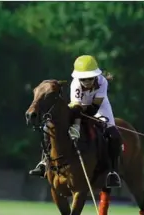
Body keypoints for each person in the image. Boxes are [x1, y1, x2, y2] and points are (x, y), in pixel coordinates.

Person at [29, 55, 122, 188]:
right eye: (84, 78)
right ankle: (44, 162)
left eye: (90, 78)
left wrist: (81, 118)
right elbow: (77, 107)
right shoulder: (75, 84)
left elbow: (94, 107)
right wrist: (77, 125)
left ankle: (112, 172)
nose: (87, 81)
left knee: (114, 135)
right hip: (78, 107)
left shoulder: (102, 82)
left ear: (96, 76)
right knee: (48, 128)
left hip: (100, 108)